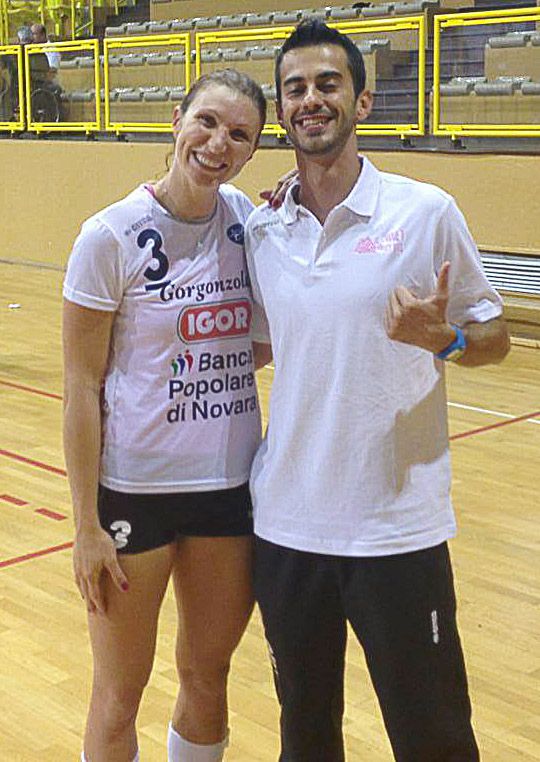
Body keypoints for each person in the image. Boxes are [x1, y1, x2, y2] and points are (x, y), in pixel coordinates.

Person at [245, 20, 510, 762]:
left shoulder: (425, 212)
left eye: (328, 84)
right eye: (295, 88)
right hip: (287, 529)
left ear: (362, 101)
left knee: (434, 739)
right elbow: (262, 345)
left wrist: (447, 340)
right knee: (304, 737)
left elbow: (495, 335)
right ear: (282, 109)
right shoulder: (263, 229)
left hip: (397, 531)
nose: (311, 99)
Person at [63, 69, 272, 762]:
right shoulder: (109, 236)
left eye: (239, 134)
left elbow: (262, 341)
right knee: (118, 694)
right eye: (207, 122)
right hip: (133, 494)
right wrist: (85, 525)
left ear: (252, 150)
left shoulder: (249, 223)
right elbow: (80, 386)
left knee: (208, 675)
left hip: (227, 490)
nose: (218, 144)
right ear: (177, 120)